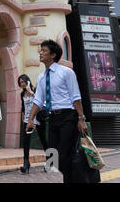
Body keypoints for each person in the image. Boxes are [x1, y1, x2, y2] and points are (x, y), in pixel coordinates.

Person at [26, 40, 88, 183]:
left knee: (65, 154)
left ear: (53, 55)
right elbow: (38, 101)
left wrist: (81, 119)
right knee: (52, 154)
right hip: (52, 118)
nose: (40, 53)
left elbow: (76, 97)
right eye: (40, 50)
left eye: (44, 50)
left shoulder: (66, 72)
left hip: (68, 116)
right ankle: (75, 179)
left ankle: (74, 179)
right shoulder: (41, 77)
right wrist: (30, 120)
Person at [18, 74, 48, 174]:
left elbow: (41, 102)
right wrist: (23, 118)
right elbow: (23, 107)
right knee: (26, 142)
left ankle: (50, 161)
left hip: (38, 118)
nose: (22, 84)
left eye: (23, 81)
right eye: (20, 82)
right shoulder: (22, 94)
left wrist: (31, 92)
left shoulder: (35, 91)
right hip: (27, 120)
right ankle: (26, 163)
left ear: (28, 81)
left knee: (43, 140)